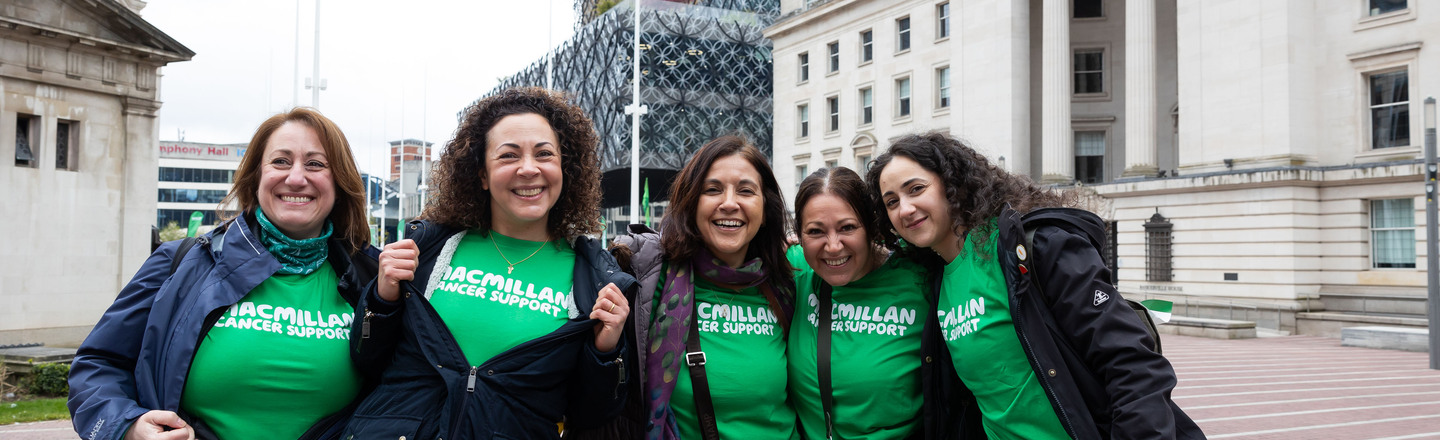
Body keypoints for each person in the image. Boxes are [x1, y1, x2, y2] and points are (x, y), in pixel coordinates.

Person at [866, 132, 1204, 439]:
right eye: (892, 201)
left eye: (916, 189)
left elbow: (1131, 362)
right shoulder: (935, 280)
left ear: (952, 185)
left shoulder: (1034, 247)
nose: (905, 209)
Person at [68, 108, 380, 440]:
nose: (296, 177)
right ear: (256, 176)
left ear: (340, 181)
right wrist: (127, 426)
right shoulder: (183, 263)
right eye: (281, 162)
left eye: (315, 164)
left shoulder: (373, 280)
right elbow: (97, 365)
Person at [343, 87, 634, 439]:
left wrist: (606, 348)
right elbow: (366, 359)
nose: (528, 169)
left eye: (544, 154)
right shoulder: (429, 251)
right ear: (481, 175)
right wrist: (383, 297)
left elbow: (593, 413)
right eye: (509, 156)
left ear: (564, 170)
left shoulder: (594, 279)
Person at [598, 135, 798, 440]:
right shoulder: (649, 278)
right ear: (692, 202)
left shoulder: (789, 278)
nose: (729, 203)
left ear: (765, 208)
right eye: (713, 189)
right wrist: (604, 347)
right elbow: (596, 396)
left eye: (746, 191)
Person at [787, 166, 948, 440]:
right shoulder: (795, 270)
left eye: (847, 227)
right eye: (815, 231)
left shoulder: (922, 273)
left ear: (872, 227)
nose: (833, 246)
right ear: (799, 236)